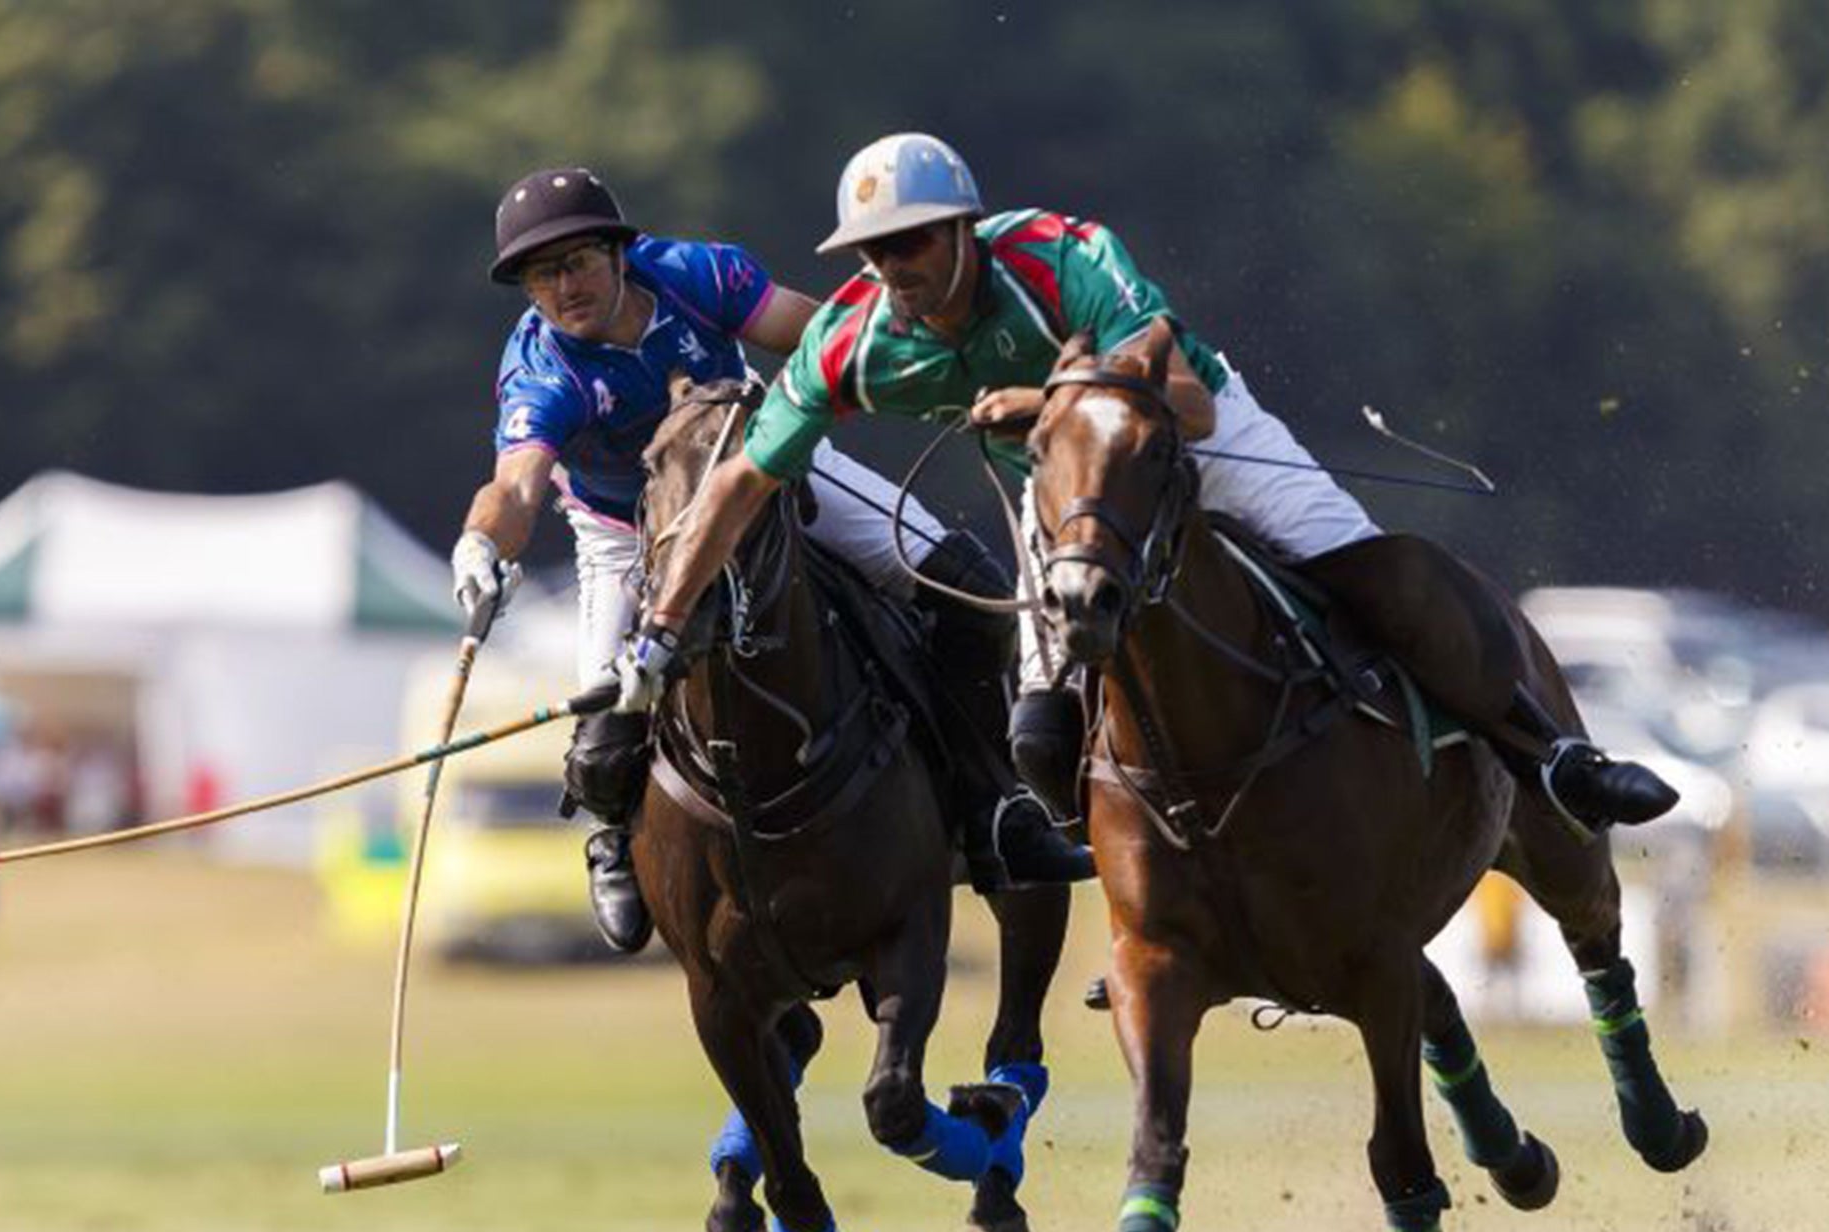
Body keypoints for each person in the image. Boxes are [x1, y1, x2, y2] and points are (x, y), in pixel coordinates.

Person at [618, 132, 1677, 840]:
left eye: (909, 244)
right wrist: (662, 623)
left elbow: (1188, 402)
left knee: (1377, 579)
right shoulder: (855, 341)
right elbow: (743, 481)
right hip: (1064, 503)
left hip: (1188, 438)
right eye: (872, 252)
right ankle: (1136, 880)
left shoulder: (1063, 258)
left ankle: (1549, 758)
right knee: (1038, 731)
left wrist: (1040, 401)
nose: (894, 269)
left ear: (960, 230)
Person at [450, 167, 1090, 954]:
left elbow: (820, 337)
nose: (564, 286)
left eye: (578, 260)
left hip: (763, 474)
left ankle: (994, 803)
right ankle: (615, 839)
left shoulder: (695, 275)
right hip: (625, 534)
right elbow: (515, 488)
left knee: (968, 586)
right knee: (606, 738)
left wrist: (938, 370)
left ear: (620, 253)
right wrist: (480, 545)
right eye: (541, 275)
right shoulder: (543, 373)